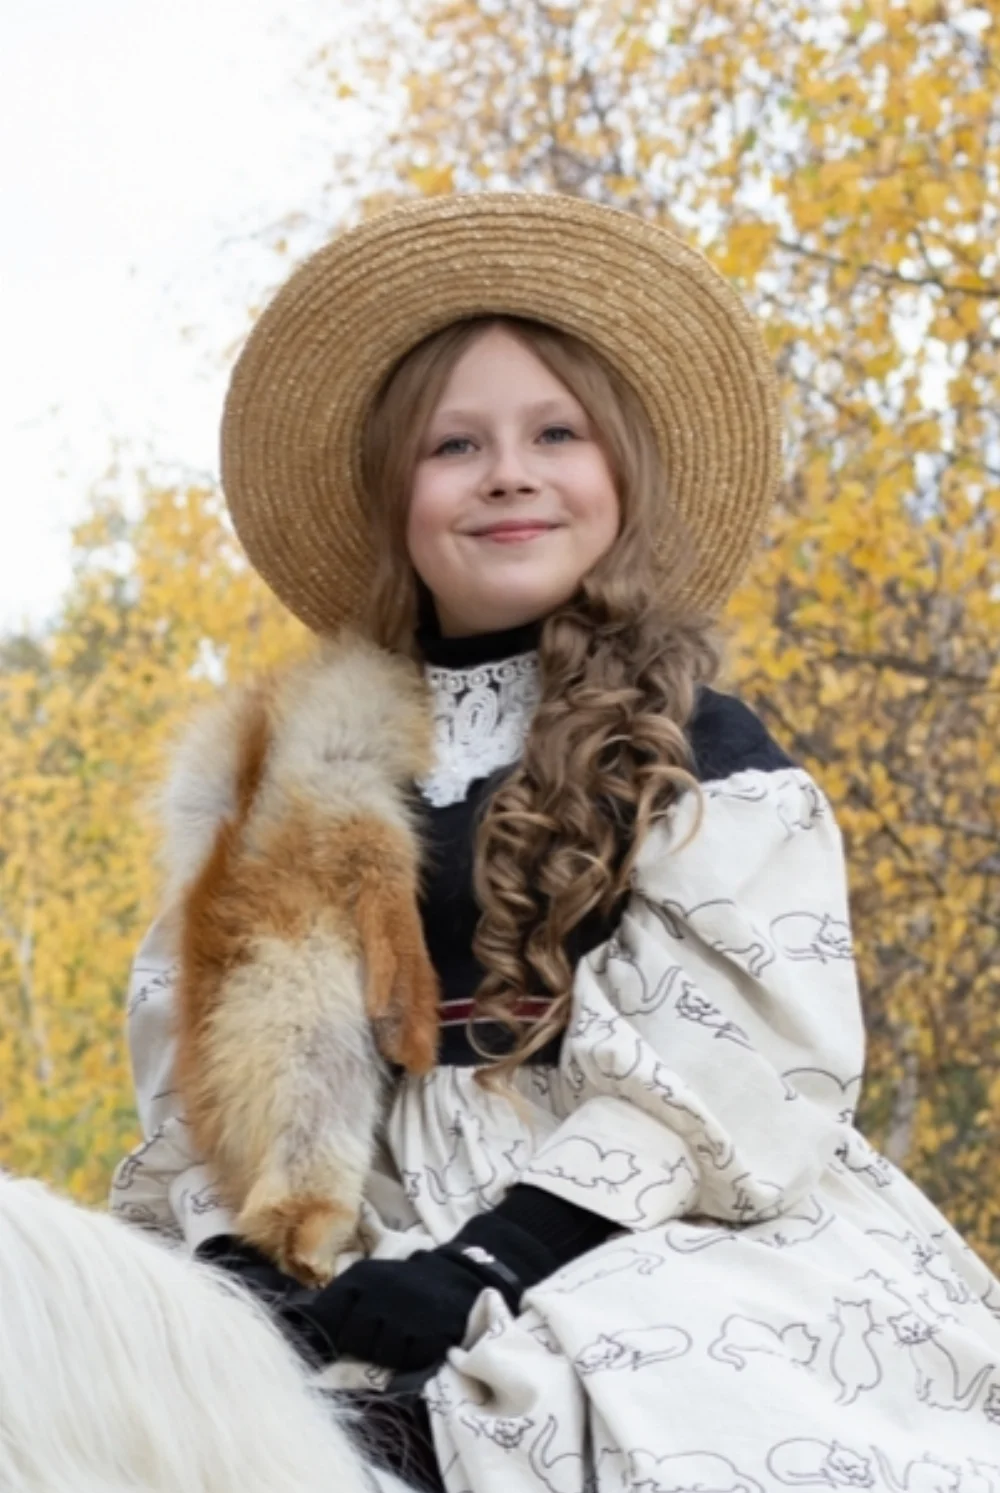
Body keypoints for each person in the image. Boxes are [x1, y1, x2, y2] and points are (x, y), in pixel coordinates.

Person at [110, 193, 1000, 1491]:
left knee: (660, 1422)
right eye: (454, 444)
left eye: (555, 433)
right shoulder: (290, 778)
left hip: (635, 1216)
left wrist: (493, 1259)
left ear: (619, 476)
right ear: (394, 497)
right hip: (357, 1232)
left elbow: (735, 1054)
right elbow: (214, 1056)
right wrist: (249, 1267)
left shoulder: (697, 751)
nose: (508, 472)